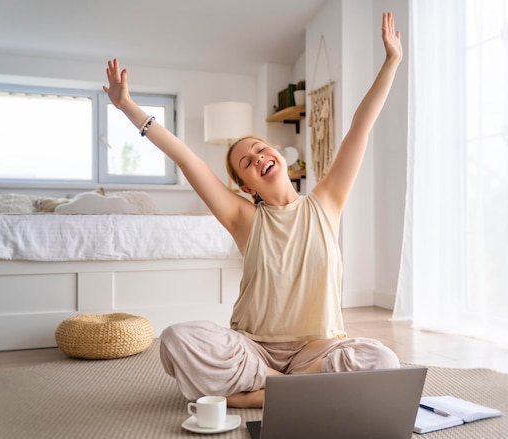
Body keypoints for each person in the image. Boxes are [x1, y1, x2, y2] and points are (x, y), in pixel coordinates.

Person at [103, 12, 403, 408]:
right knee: (177, 339)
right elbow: (187, 158)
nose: (258, 156)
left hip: (318, 353)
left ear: (277, 154)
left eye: (261, 148)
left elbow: (359, 128)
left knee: (383, 359)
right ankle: (292, 390)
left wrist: (391, 61)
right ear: (247, 186)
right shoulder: (244, 218)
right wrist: (128, 107)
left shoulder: (326, 202)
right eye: (247, 161)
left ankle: (260, 395)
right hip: (254, 351)